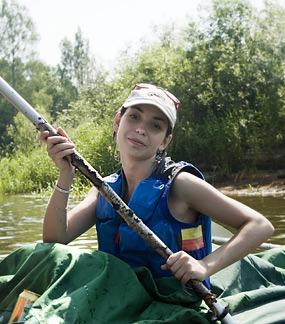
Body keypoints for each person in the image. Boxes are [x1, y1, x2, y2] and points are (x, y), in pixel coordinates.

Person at [40, 83, 274, 290]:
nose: (141, 129)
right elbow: (55, 240)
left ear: (164, 141)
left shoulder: (181, 185)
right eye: (134, 117)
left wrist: (204, 266)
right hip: (120, 302)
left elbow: (260, 226)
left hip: (175, 308)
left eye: (155, 126)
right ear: (118, 121)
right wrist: (65, 174)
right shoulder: (103, 189)